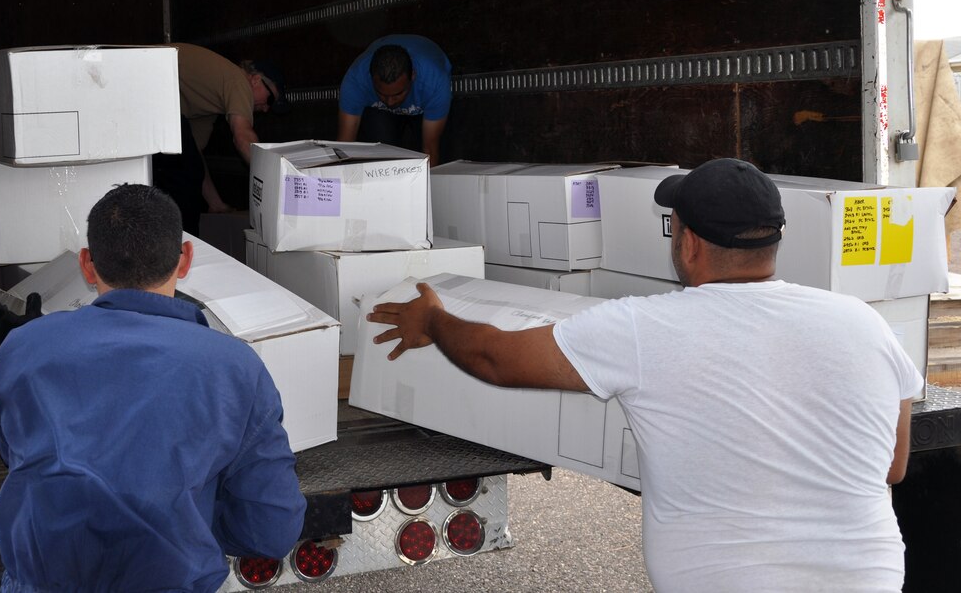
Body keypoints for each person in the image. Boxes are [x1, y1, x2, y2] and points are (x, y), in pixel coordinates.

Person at [368, 158, 921, 592]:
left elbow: (495, 358)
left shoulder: (646, 328)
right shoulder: (862, 322)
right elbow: (893, 467)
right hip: (870, 580)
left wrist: (434, 321)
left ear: (690, 244)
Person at [0, 184, 306, 592]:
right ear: (186, 258)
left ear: (86, 265)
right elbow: (272, 529)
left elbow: (18, 454)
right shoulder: (234, 367)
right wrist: (192, 521)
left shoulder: (23, 348)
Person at [153, 43, 288, 231]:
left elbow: (193, 157)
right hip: (144, 85)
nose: (266, 108)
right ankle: (181, 248)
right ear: (256, 79)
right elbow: (243, 137)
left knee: (186, 171)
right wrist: (278, 185)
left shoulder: (208, 103)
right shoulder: (239, 81)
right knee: (183, 182)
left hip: (152, 99)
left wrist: (215, 203)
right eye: (270, 99)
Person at [337, 34, 451, 166]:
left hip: (425, 103)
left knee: (429, 151)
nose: (390, 102)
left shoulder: (434, 81)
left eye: (398, 94)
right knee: (382, 153)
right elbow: (345, 144)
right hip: (379, 112)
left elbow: (430, 148)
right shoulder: (355, 81)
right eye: (382, 94)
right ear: (371, 78)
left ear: (413, 76)